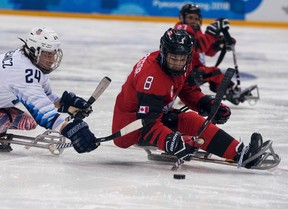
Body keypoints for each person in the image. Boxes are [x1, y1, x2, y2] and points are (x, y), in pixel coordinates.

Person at [112, 28, 265, 169]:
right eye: (173, 58)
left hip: (155, 114)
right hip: (129, 128)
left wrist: (206, 104)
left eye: (182, 59)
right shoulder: (152, 77)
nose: (178, 64)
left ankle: (241, 153)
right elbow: (146, 123)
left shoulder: (183, 64)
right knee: (187, 122)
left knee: (192, 119)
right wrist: (171, 142)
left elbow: (188, 90)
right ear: (164, 53)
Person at [0, 27, 99, 153]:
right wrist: (70, 129)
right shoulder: (22, 73)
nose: (52, 60)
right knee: (4, 119)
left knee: (27, 122)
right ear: (33, 50)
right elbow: (43, 112)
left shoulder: (24, 58)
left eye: (53, 54)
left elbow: (46, 96)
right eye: (47, 54)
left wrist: (67, 105)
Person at [174, 3, 244, 105]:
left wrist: (220, 44)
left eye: (196, 18)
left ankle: (186, 95)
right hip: (183, 73)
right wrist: (212, 32)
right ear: (182, 18)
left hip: (189, 72)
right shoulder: (182, 29)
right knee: (214, 72)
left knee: (209, 72)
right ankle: (231, 92)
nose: (194, 21)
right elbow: (196, 46)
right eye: (190, 18)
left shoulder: (196, 30)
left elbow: (206, 51)